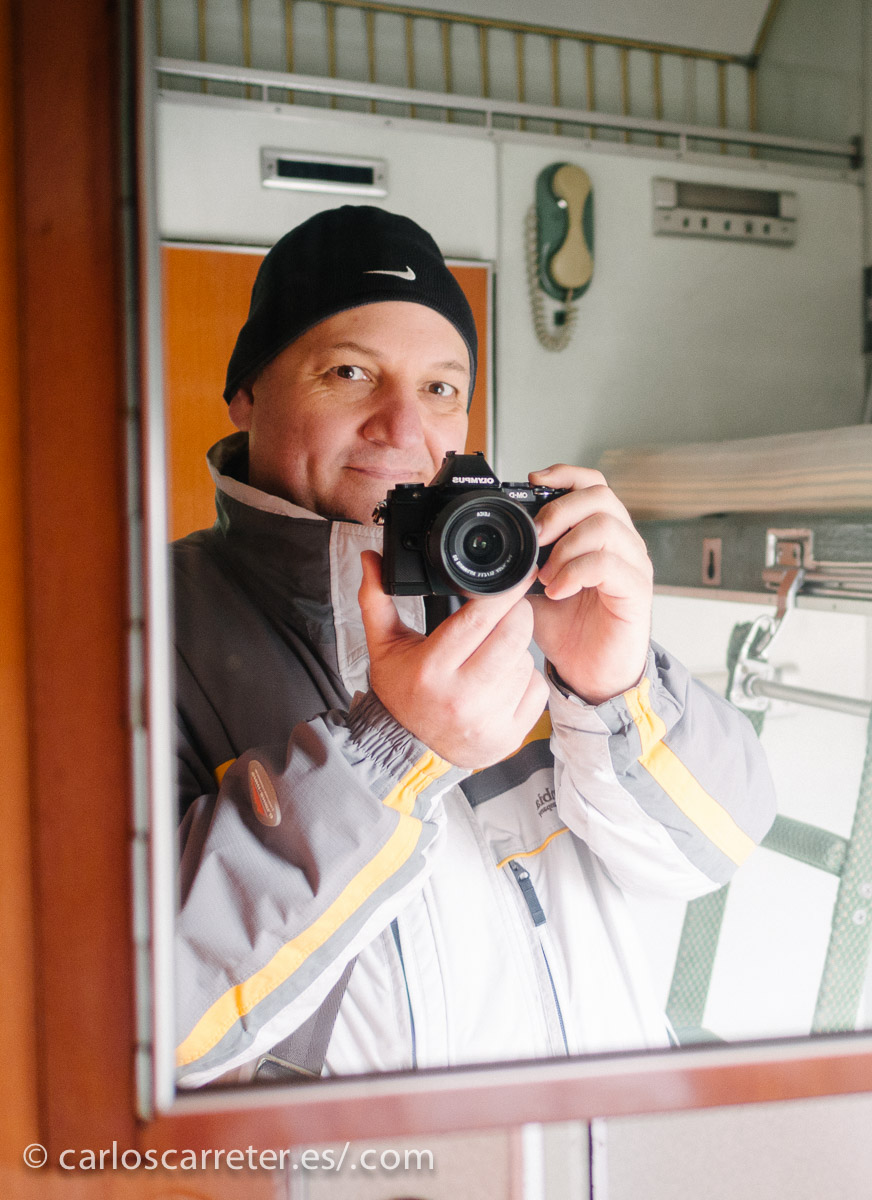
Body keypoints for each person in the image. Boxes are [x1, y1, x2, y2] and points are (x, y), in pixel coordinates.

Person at [171, 206, 776, 1087]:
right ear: (247, 393)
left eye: (441, 388)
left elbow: (712, 852)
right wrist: (391, 752)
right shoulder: (144, 628)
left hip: (599, 1152)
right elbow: (157, 1017)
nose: (404, 428)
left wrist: (615, 688)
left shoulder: (520, 591)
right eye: (349, 371)